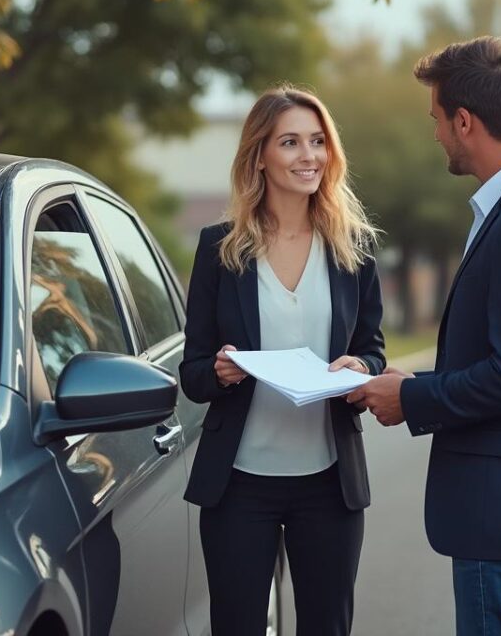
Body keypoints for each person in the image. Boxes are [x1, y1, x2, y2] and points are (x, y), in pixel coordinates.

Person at [347, 36, 501, 636]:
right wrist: (414, 381)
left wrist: (410, 399)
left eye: (436, 119)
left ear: (465, 121)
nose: (435, 133)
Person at [179, 85, 385, 636]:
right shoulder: (220, 249)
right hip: (239, 486)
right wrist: (219, 372)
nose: (308, 156)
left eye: (318, 142)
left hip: (329, 483)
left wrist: (361, 370)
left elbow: (372, 348)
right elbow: (193, 371)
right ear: (260, 157)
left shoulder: (354, 248)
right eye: (290, 142)